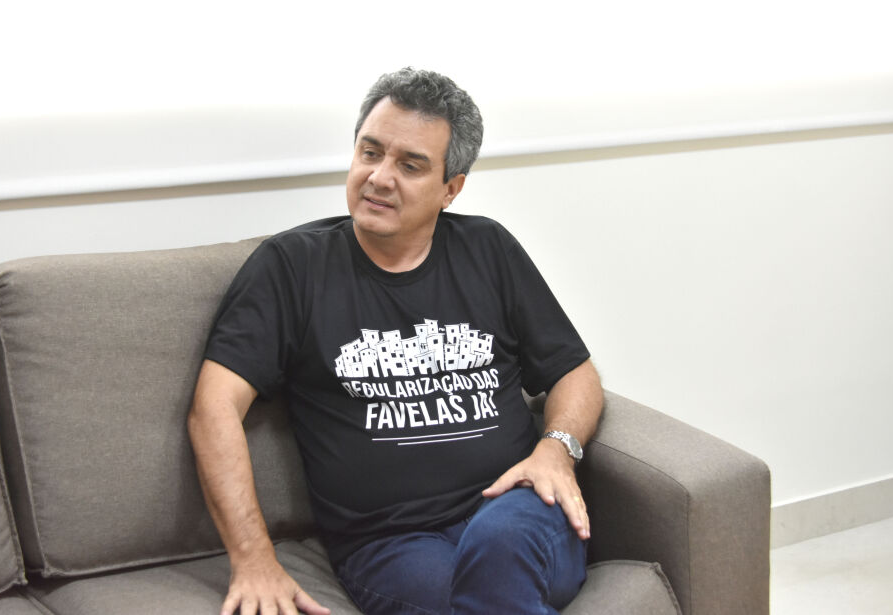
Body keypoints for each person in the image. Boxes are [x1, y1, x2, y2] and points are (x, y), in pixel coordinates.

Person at [188, 68, 604, 615]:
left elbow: (576, 372)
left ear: (451, 188)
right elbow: (214, 407)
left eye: (410, 165)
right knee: (475, 596)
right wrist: (254, 559)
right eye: (370, 152)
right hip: (390, 543)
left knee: (499, 547)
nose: (379, 177)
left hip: (516, 504)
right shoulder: (291, 268)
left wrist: (556, 451)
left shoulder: (489, 250)